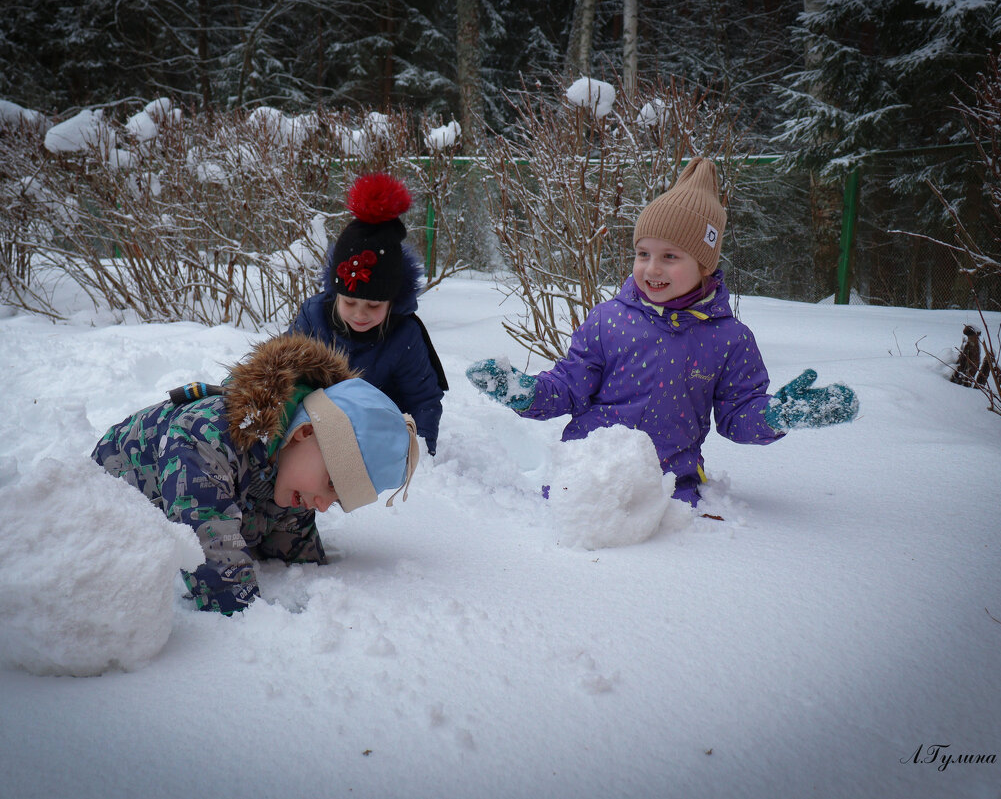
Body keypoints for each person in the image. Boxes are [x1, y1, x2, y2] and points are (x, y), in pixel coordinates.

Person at [466, 157, 858, 506]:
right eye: (643, 254)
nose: (652, 268)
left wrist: (776, 416)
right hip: (586, 478)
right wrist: (526, 393)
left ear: (705, 264)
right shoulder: (608, 320)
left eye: (670, 257)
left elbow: (737, 415)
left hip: (670, 487)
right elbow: (569, 387)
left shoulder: (730, 339)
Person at [92, 333, 419, 614]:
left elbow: (296, 555)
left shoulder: (292, 474)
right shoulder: (206, 438)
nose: (321, 505)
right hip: (97, 517)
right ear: (303, 433)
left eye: (336, 500)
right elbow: (213, 553)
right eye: (330, 484)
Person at [290, 172, 447, 456]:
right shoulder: (314, 317)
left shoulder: (404, 333)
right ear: (335, 294)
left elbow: (424, 400)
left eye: (374, 306)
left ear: (392, 301)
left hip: (380, 436)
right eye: (349, 303)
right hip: (316, 430)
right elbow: (284, 376)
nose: (360, 315)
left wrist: (418, 456)